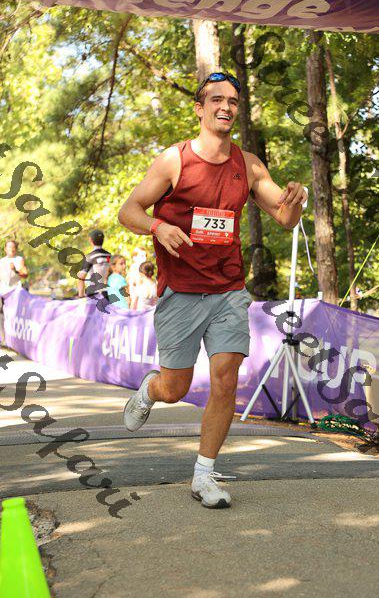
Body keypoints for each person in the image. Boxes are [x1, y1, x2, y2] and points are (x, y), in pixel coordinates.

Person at [118, 71, 307, 509]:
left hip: (228, 291)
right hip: (181, 291)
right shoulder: (175, 160)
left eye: (233, 101)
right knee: (176, 388)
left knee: (225, 379)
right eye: (217, 99)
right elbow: (129, 211)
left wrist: (295, 202)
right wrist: (158, 226)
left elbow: (285, 218)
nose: (226, 107)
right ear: (200, 108)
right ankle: (151, 390)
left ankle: (204, 475)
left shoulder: (249, 165)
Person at [77, 230, 111, 298]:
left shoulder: (90, 257)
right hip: (106, 294)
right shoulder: (109, 256)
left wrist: (81, 296)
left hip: (93, 294)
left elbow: (81, 277)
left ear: (90, 240)